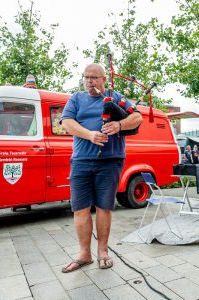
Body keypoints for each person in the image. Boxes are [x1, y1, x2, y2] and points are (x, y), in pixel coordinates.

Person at [60, 63, 143, 272]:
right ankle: (84, 254)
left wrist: (119, 125)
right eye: (86, 77)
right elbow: (66, 123)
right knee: (79, 208)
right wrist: (89, 134)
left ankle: (103, 252)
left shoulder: (116, 98)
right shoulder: (76, 98)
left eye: (94, 78)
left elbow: (137, 117)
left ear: (104, 79)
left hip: (110, 160)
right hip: (81, 161)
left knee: (104, 207)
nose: (89, 81)